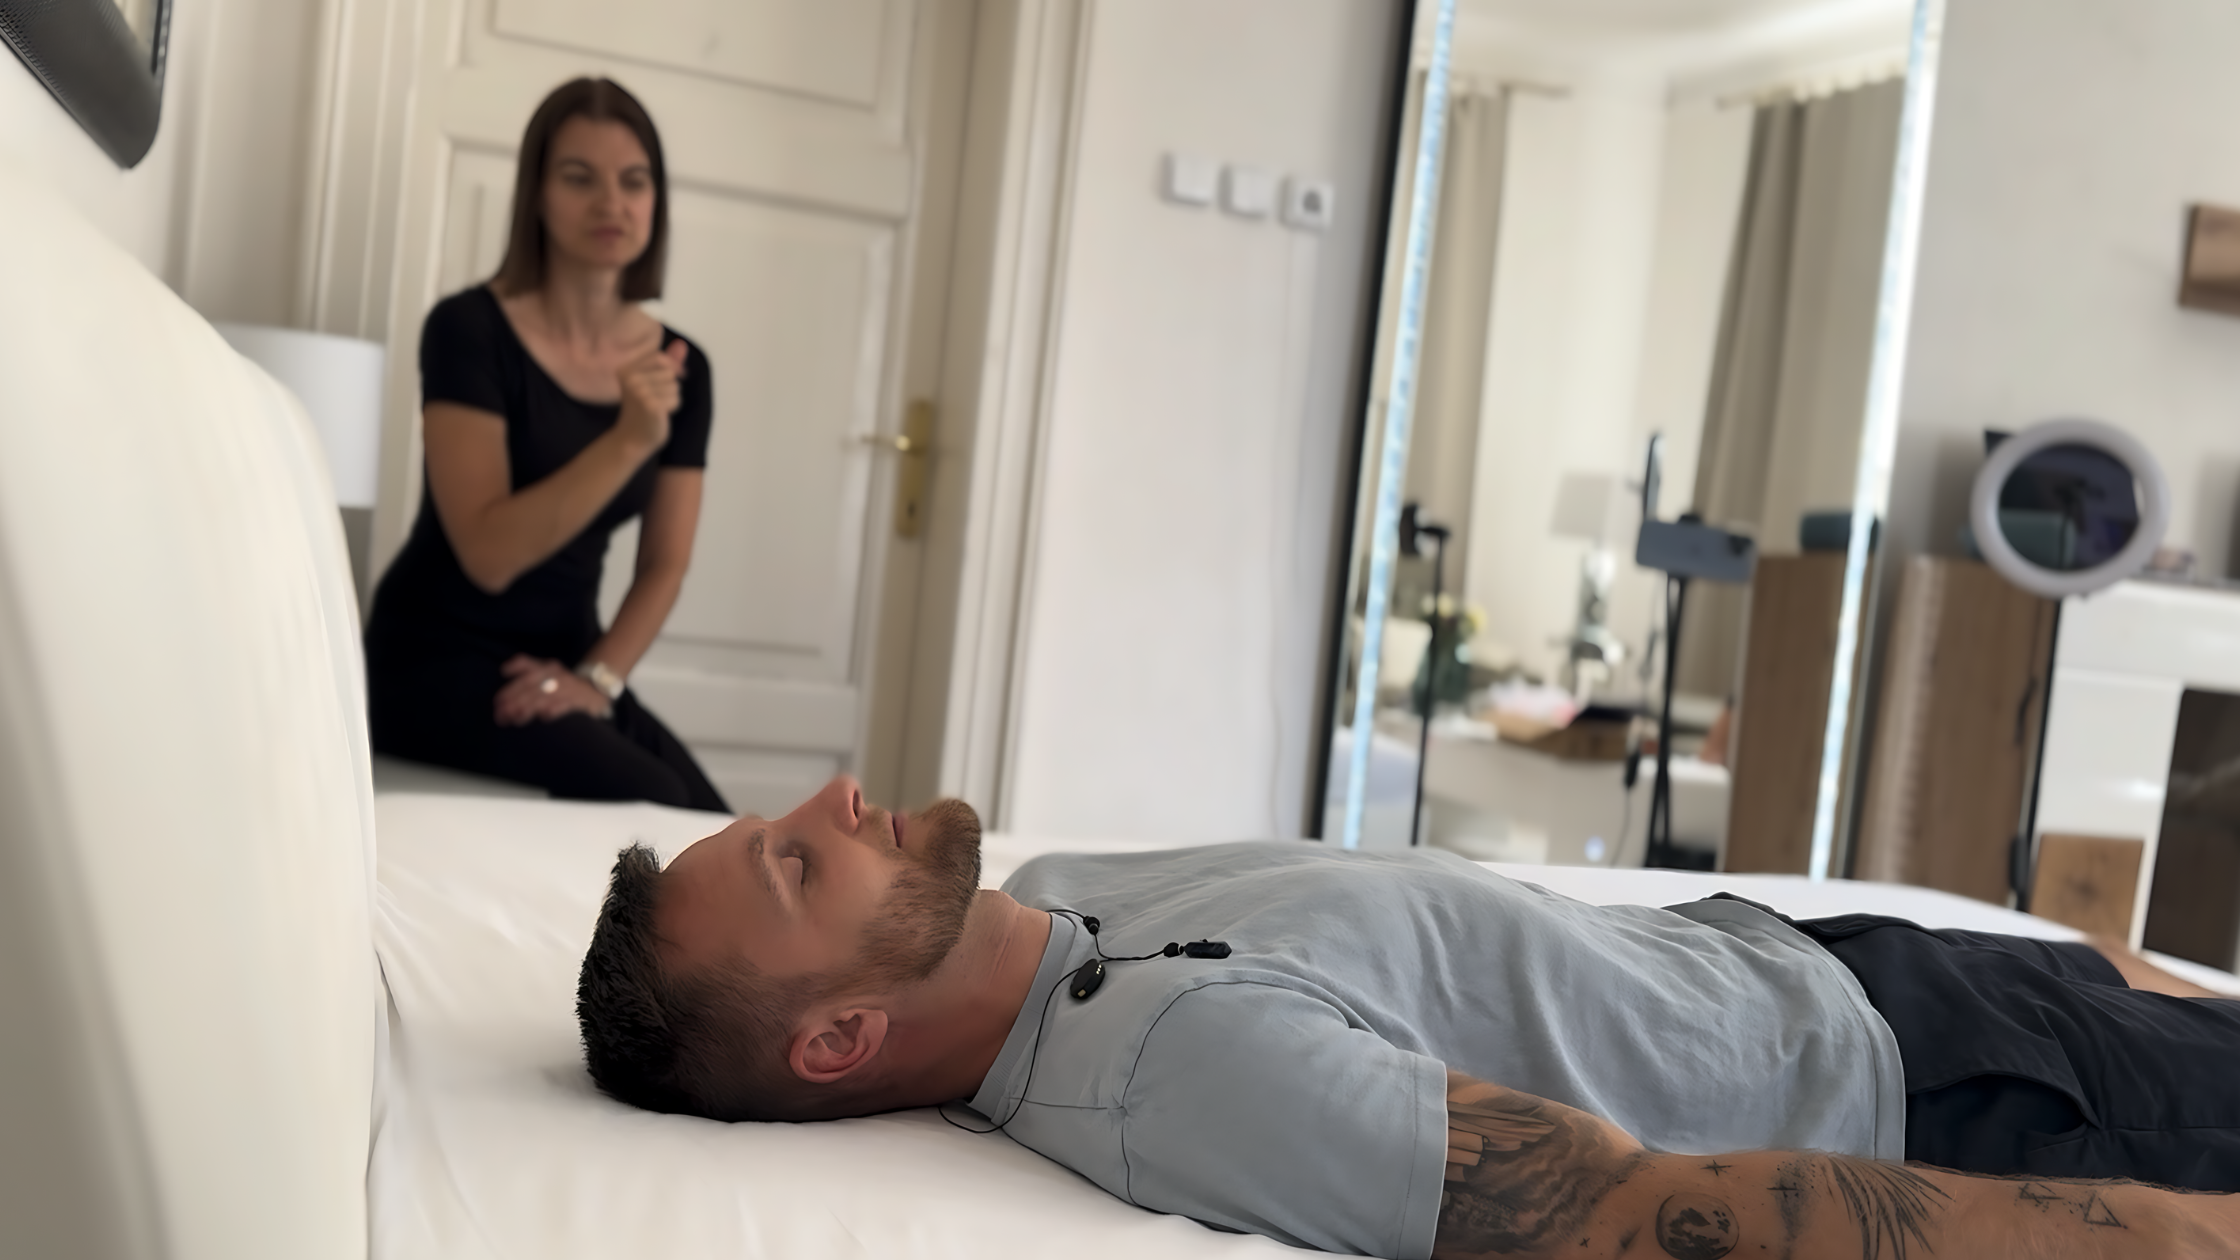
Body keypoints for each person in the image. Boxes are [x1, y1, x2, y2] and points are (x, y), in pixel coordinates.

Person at [575, 778, 2240, 1259]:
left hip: (1842, 968)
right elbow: (1634, 1215)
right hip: (1961, 1098)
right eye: (801, 864)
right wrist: (2168, 1236)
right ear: (838, 1043)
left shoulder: (1054, 889)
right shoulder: (1181, 1072)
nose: (838, 797)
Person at [364, 77, 725, 811]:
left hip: (568, 656)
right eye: (579, 178)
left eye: (634, 181)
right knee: (650, 798)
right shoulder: (467, 330)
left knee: (716, 822)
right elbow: (488, 554)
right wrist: (627, 441)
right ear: (536, 193)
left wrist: (597, 680)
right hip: (436, 658)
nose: (611, 203)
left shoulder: (682, 367)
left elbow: (665, 563)